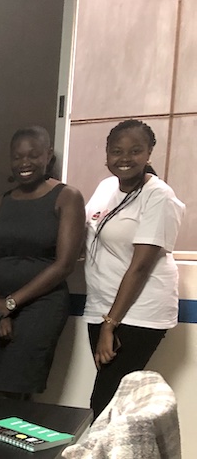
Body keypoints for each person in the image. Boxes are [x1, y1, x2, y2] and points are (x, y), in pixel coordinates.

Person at [83, 119, 184, 417]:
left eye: (135, 150)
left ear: (149, 153)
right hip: (101, 306)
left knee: (105, 403)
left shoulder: (159, 196)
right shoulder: (105, 187)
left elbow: (141, 266)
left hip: (138, 314)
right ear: (106, 154)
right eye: (117, 151)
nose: (124, 159)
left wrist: (110, 324)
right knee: (113, 401)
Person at [0, 127, 85, 399]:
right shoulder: (0, 203)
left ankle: (16, 440)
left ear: (48, 155)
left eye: (33, 155)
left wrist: (11, 303)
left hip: (42, 306)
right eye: (17, 157)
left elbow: (64, 265)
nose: (24, 163)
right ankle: (3, 439)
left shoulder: (67, 197)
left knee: (17, 386)